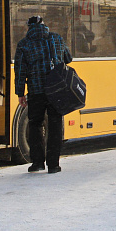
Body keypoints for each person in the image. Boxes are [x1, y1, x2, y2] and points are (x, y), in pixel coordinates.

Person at [14, 16, 72, 174]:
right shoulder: (56, 38)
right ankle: (54, 165)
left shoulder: (24, 44)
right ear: (44, 25)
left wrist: (20, 93)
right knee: (55, 125)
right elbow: (68, 58)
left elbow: (20, 71)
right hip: (56, 90)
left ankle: (38, 162)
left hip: (36, 91)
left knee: (35, 125)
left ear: (29, 27)